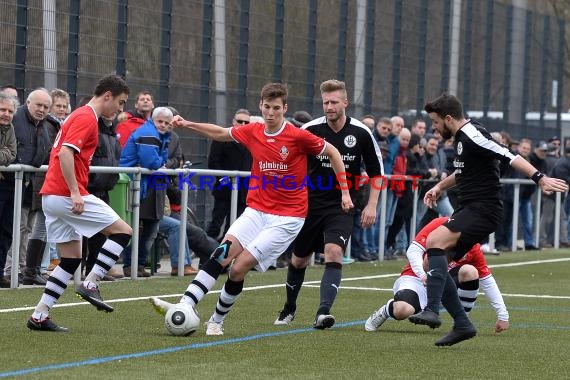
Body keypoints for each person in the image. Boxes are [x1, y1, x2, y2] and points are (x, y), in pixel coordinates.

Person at [150, 82, 352, 335]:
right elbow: (221, 133)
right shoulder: (253, 131)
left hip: (287, 218)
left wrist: (344, 191)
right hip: (256, 211)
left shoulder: (298, 136)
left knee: (238, 267)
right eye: (266, 107)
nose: (270, 113)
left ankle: (216, 320)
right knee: (221, 253)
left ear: (284, 108)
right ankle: (184, 305)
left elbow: (333, 152)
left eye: (276, 108)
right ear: (261, 106)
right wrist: (188, 124)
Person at [408, 93, 567, 346]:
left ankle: (433, 309)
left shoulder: (472, 134)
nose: (434, 128)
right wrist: (440, 187)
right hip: (471, 209)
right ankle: (462, 324)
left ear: (448, 119)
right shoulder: (464, 137)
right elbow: (463, 173)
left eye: (435, 122)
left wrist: (540, 178)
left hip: (484, 208)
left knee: (434, 241)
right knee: (432, 262)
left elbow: (509, 155)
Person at [26, 75, 132, 332]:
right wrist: (75, 192)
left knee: (71, 259)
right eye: (120, 102)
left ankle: (39, 316)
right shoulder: (86, 117)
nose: (120, 109)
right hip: (65, 194)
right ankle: (92, 282)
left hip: (52, 196)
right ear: (107, 95)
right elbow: (65, 153)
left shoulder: (81, 116)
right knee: (123, 231)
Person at [274, 79, 383, 329]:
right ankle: (289, 308)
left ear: (345, 102)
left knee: (334, 252)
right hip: (309, 204)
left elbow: (377, 173)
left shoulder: (361, 133)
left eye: (334, 102)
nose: (330, 106)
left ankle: (323, 312)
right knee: (299, 260)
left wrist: (372, 205)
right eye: (326, 102)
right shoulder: (311, 129)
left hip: (342, 206)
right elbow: (290, 159)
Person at [365, 217, 509, 334]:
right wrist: (423, 275)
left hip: (442, 283)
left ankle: (461, 323)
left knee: (470, 272)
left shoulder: (473, 246)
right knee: (402, 311)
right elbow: (413, 251)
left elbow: (487, 280)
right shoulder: (440, 224)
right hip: (415, 278)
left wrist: (503, 315)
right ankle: (385, 310)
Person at [119, 107, 172, 277]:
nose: (163, 125)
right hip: (132, 183)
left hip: (144, 184)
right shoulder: (148, 133)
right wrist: (159, 164)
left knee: (148, 228)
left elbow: (160, 160)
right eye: (160, 121)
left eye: (166, 123)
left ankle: (139, 264)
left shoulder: (160, 135)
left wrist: (159, 163)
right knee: (132, 227)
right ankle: (129, 265)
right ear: (152, 120)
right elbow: (151, 161)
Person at [206, 108, 252, 240]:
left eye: (246, 122)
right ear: (233, 122)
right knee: (215, 224)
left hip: (244, 191)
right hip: (224, 190)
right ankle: (206, 255)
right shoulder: (221, 138)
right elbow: (213, 162)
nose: (243, 125)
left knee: (234, 227)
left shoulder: (252, 141)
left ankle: (224, 256)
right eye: (240, 121)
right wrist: (224, 180)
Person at [0, 92, 18, 288]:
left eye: (10, 111)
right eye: (2, 109)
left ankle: (0, 272)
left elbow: (11, 154)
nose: (6, 114)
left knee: (5, 232)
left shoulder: (10, 128)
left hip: (7, 185)